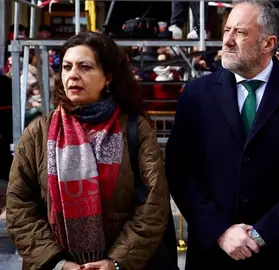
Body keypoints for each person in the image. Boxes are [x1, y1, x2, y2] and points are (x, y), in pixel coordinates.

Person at [165, 0, 279, 269]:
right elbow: (180, 171)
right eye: (227, 30)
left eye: (240, 33)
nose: (228, 40)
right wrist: (220, 231)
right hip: (213, 253)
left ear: (268, 43)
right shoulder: (196, 95)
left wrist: (261, 234)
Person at [7, 32, 171, 270]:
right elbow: (19, 206)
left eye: (85, 67)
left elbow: (154, 203)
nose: (73, 75)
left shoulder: (136, 129)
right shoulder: (38, 132)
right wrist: (57, 263)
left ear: (108, 77)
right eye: (67, 67)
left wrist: (116, 261)